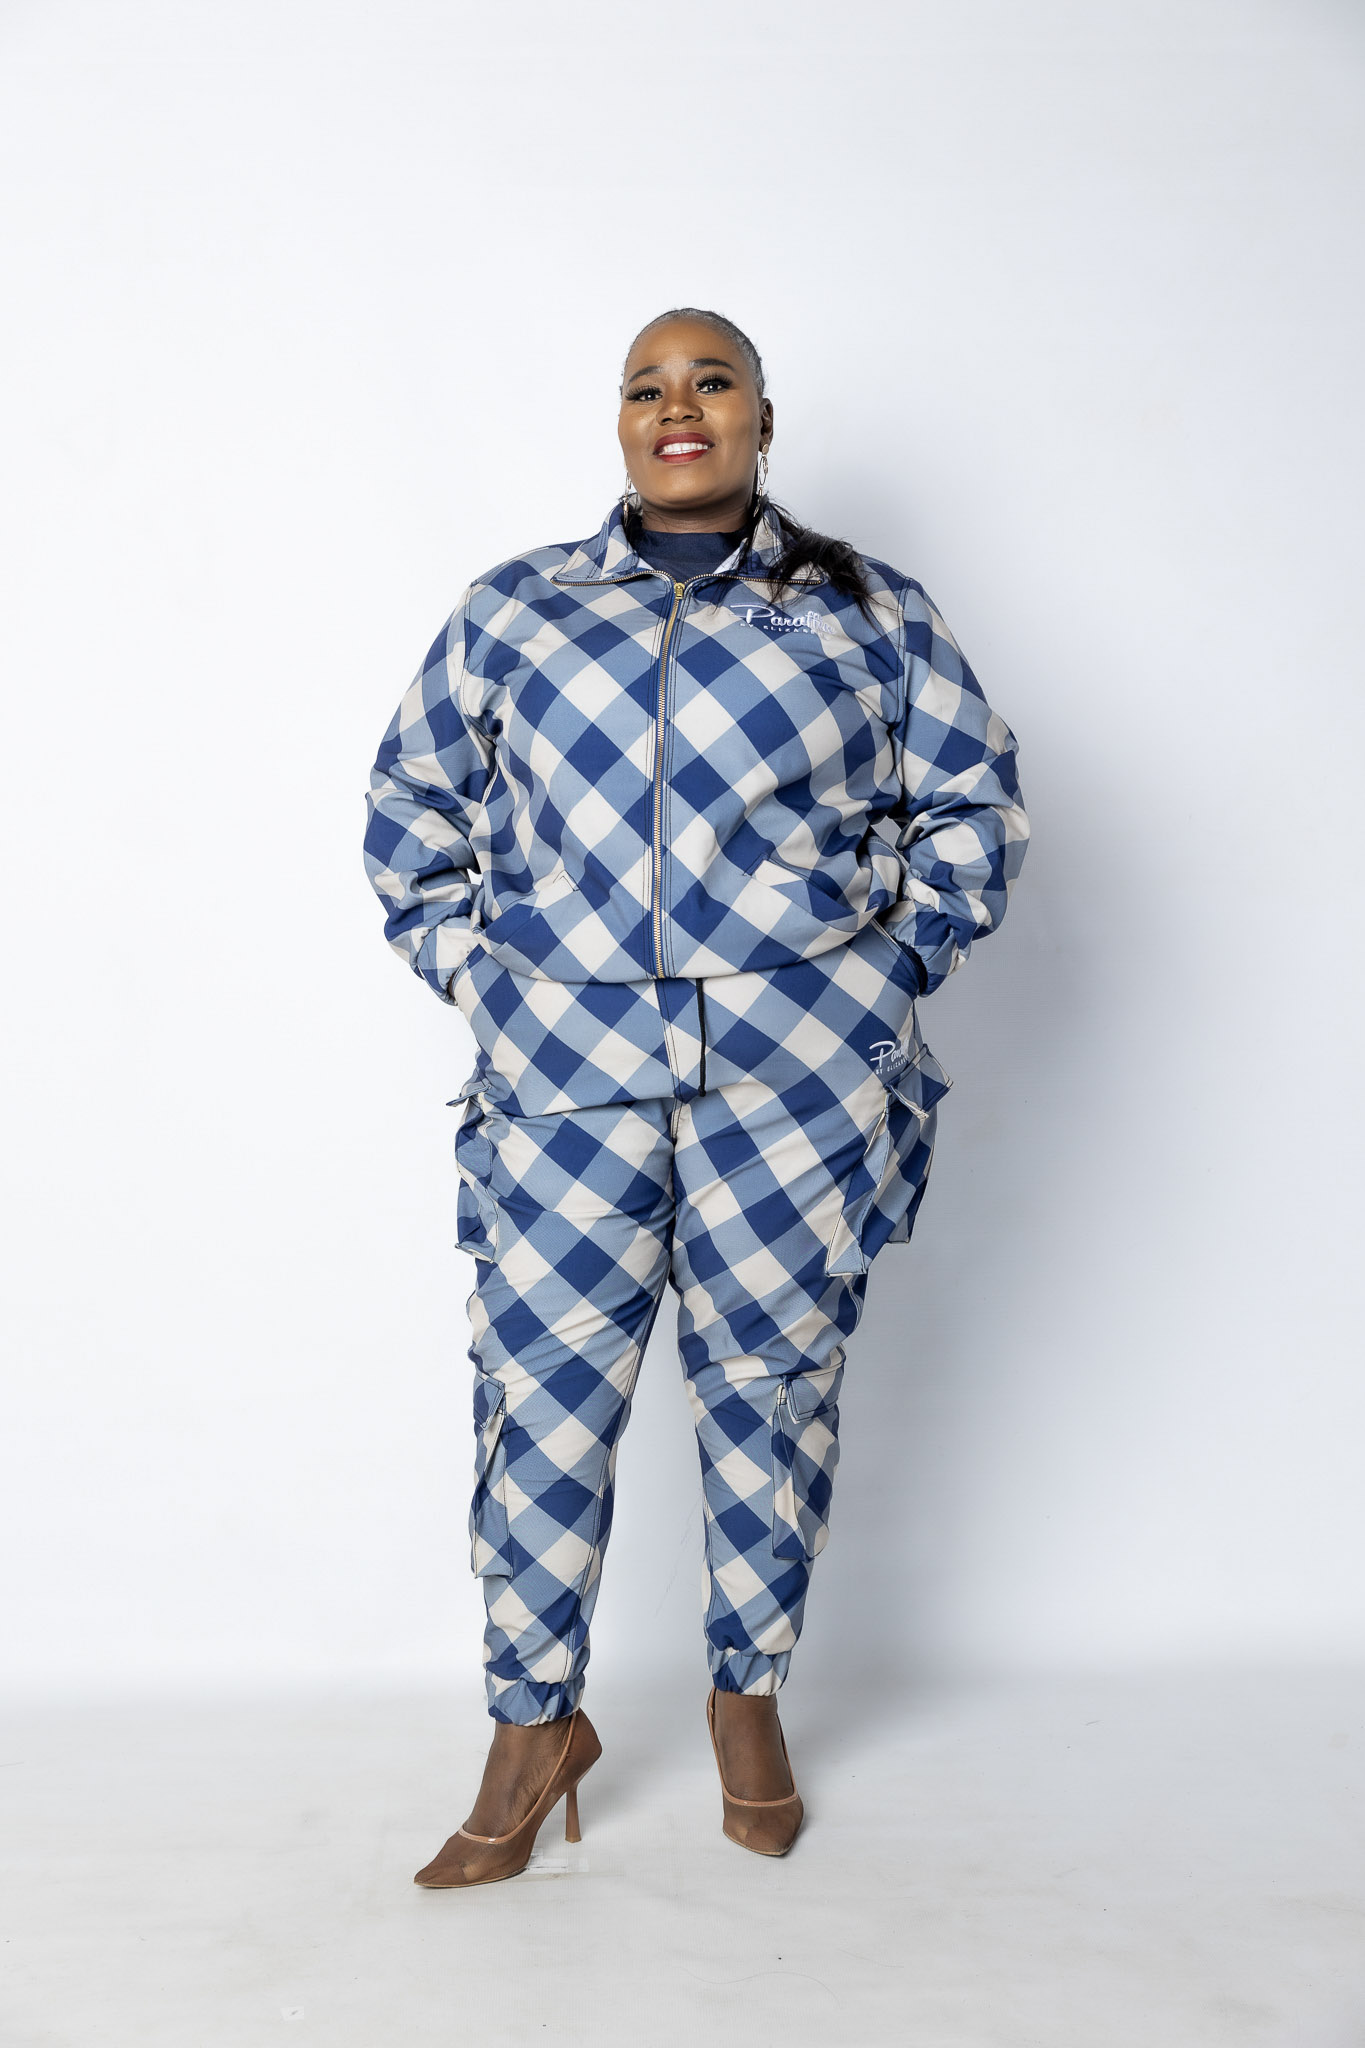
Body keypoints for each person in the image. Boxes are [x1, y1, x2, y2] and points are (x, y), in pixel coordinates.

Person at [363, 308, 1029, 1886]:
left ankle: (748, 1697)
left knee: (770, 1391)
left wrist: (882, 971)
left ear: (760, 419)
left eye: (710, 381)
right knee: (538, 1399)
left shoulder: (863, 609)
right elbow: (409, 811)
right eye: (646, 386)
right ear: (619, 423)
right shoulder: (518, 612)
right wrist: (488, 981)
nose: (679, 407)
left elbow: (972, 803)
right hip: (565, 1085)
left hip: (795, 1084)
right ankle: (532, 1725)